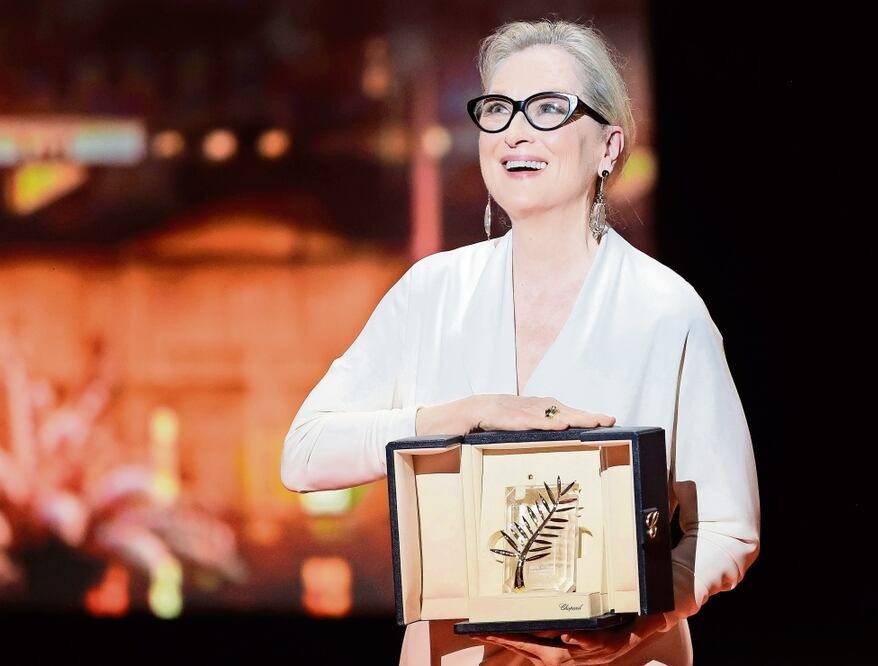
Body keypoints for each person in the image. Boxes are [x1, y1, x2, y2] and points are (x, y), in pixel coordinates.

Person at [281, 18, 760, 666]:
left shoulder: (663, 309)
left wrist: (633, 623)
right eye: (498, 110)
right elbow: (304, 455)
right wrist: (463, 417)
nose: (515, 130)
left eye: (548, 109)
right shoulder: (433, 293)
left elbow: (728, 530)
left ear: (608, 147)